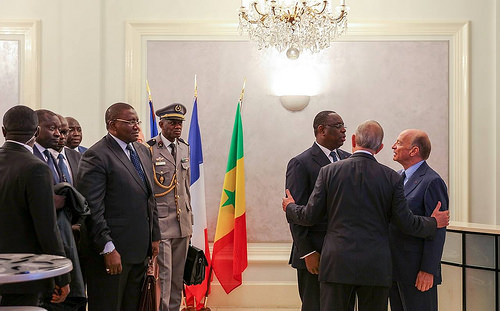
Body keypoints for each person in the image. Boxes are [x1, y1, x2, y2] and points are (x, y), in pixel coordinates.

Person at [282, 120, 450, 311]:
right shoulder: (391, 177)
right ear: (379, 148)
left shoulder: (328, 172)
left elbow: (310, 215)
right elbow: (406, 222)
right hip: (376, 266)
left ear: (353, 140)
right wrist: (433, 222)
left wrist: (290, 207)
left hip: (337, 264)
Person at [75, 102, 160, 311]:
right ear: (112, 125)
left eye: (137, 121)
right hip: (113, 253)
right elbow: (92, 208)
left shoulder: (142, 151)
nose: (137, 126)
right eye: (130, 122)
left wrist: (154, 236)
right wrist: (108, 247)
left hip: (139, 251)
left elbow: (150, 197)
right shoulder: (97, 155)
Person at [0, 105, 70, 306]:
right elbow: (47, 227)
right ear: (37, 132)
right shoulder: (36, 168)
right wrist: (62, 276)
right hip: (23, 272)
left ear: (4, 131)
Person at [285, 110, 351, 311]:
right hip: (315, 252)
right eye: (338, 126)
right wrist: (307, 252)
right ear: (321, 129)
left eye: (343, 126)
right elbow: (295, 211)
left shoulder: (349, 161)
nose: (343, 130)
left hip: (345, 252)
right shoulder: (301, 163)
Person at [389, 129, 448, 311]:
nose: (393, 146)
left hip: (417, 272)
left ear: (414, 151)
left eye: (398, 142)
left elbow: (438, 229)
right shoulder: (397, 177)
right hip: (394, 268)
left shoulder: (432, 181)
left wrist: (428, 270)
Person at [147, 103, 193, 311]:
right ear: (161, 123)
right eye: (173, 123)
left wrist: (190, 220)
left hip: (182, 223)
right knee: (164, 278)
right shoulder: (149, 149)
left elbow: (185, 187)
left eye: (180, 123)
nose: (177, 127)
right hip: (162, 223)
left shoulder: (184, 147)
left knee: (178, 277)